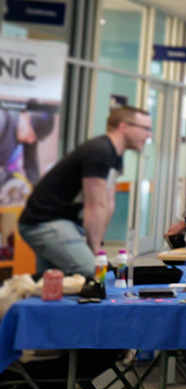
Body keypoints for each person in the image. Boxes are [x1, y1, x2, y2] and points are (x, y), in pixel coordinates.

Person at [16, 104, 151, 277]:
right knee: (93, 272)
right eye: (145, 128)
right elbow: (95, 205)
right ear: (123, 126)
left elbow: (107, 204)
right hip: (45, 221)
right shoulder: (99, 151)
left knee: (55, 282)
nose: (149, 135)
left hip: (63, 222)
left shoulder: (115, 155)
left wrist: (98, 245)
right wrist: (95, 250)